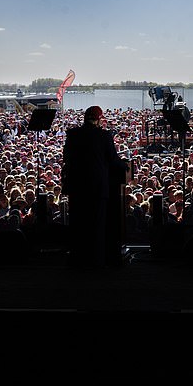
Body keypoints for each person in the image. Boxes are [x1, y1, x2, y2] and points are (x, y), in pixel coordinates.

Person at [61, 106, 128, 267]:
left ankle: (78, 260)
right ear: (99, 119)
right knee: (97, 225)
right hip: (97, 188)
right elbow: (112, 160)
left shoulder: (73, 134)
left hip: (77, 188)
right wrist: (124, 165)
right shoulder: (104, 135)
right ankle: (96, 261)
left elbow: (66, 157)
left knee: (78, 224)